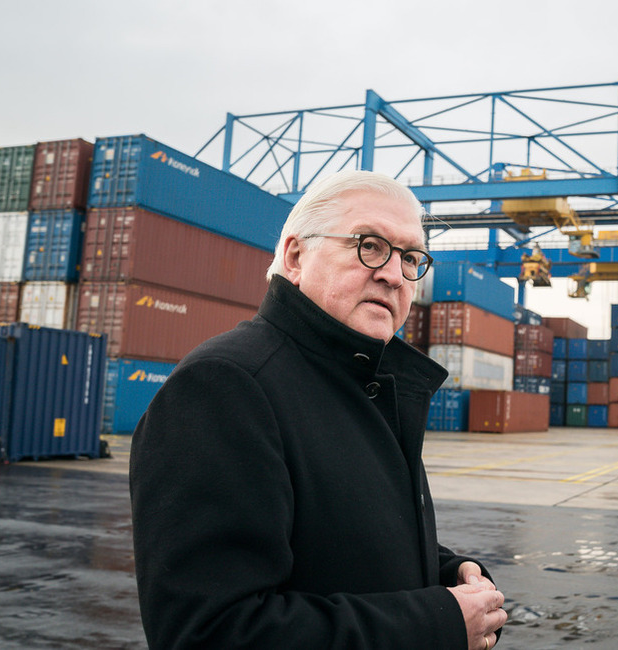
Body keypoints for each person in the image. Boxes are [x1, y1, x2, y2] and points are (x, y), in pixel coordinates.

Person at [129, 170, 507, 649]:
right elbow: (212, 632)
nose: (394, 274)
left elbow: (337, 539)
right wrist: (439, 622)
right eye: (369, 245)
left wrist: (447, 573)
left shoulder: (360, 383)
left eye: (411, 257)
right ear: (295, 256)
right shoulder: (225, 387)